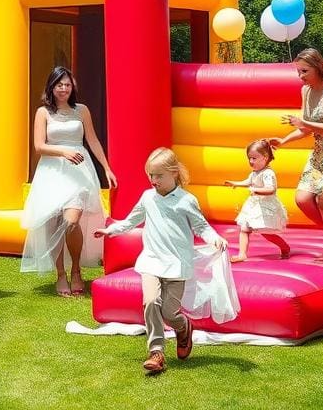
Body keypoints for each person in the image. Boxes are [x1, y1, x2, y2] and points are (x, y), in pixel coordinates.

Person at [95, 147, 227, 375]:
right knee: (150, 301)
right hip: (151, 261)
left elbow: (201, 226)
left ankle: (183, 327)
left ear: (174, 173)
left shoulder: (186, 200)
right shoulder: (148, 198)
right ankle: (156, 352)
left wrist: (215, 238)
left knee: (169, 313)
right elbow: (131, 221)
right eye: (150, 175)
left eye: (158, 175)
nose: (153, 180)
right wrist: (111, 230)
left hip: (176, 265)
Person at [21, 67, 116, 297]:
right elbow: (39, 146)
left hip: (79, 171)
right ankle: (61, 274)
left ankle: (76, 269)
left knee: (71, 221)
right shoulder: (43, 112)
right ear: (51, 87)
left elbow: (92, 139)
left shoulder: (81, 110)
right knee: (54, 224)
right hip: (52, 171)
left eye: (67, 84)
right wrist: (63, 152)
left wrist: (106, 167)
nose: (64, 88)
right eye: (59, 84)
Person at [269, 47, 323, 263]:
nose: (300, 77)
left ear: (318, 67)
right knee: (302, 199)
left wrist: (304, 123)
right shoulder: (306, 91)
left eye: (304, 71)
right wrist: (283, 141)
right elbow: (306, 129)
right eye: (298, 72)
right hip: (321, 152)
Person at [224, 139, 290, 262]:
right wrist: (235, 183)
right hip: (254, 206)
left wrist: (256, 190)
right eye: (249, 158)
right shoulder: (255, 172)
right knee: (244, 229)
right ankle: (242, 254)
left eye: (254, 158)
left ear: (264, 157)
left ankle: (284, 247)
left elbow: (271, 189)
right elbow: (248, 182)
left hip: (265, 207)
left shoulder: (268, 173)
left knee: (266, 233)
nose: (250, 161)